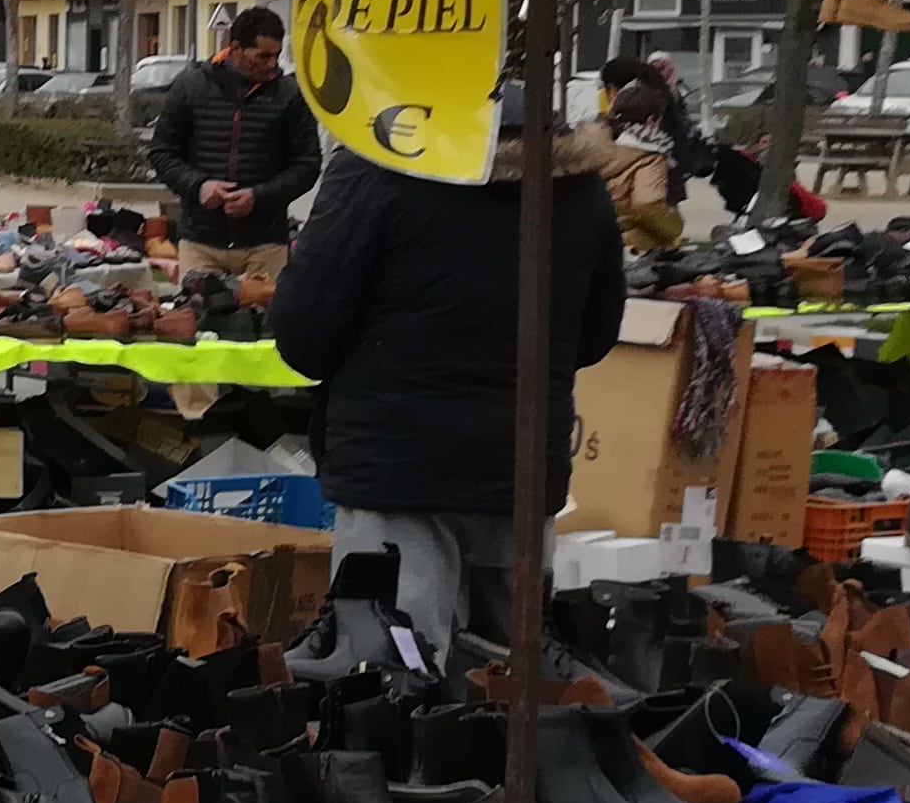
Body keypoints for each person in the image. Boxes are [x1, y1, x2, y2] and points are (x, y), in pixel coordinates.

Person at [270, 120, 630, 664]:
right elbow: (596, 334)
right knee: (513, 681)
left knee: (391, 679)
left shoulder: (374, 169)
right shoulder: (575, 183)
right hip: (520, 461)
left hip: (395, 466)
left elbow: (303, 336)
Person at [146, 5, 320, 280]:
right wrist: (199, 186)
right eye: (262, 56)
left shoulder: (290, 95)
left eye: (276, 55)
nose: (272, 64)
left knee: (267, 322)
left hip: (266, 245)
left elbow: (307, 165)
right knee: (195, 320)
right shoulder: (190, 86)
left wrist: (259, 197)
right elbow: (162, 152)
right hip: (201, 243)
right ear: (236, 48)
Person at [594, 56, 687, 253]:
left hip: (598, 239)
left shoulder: (597, 148)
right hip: (637, 245)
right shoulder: (650, 155)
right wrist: (675, 226)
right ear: (653, 121)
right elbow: (647, 204)